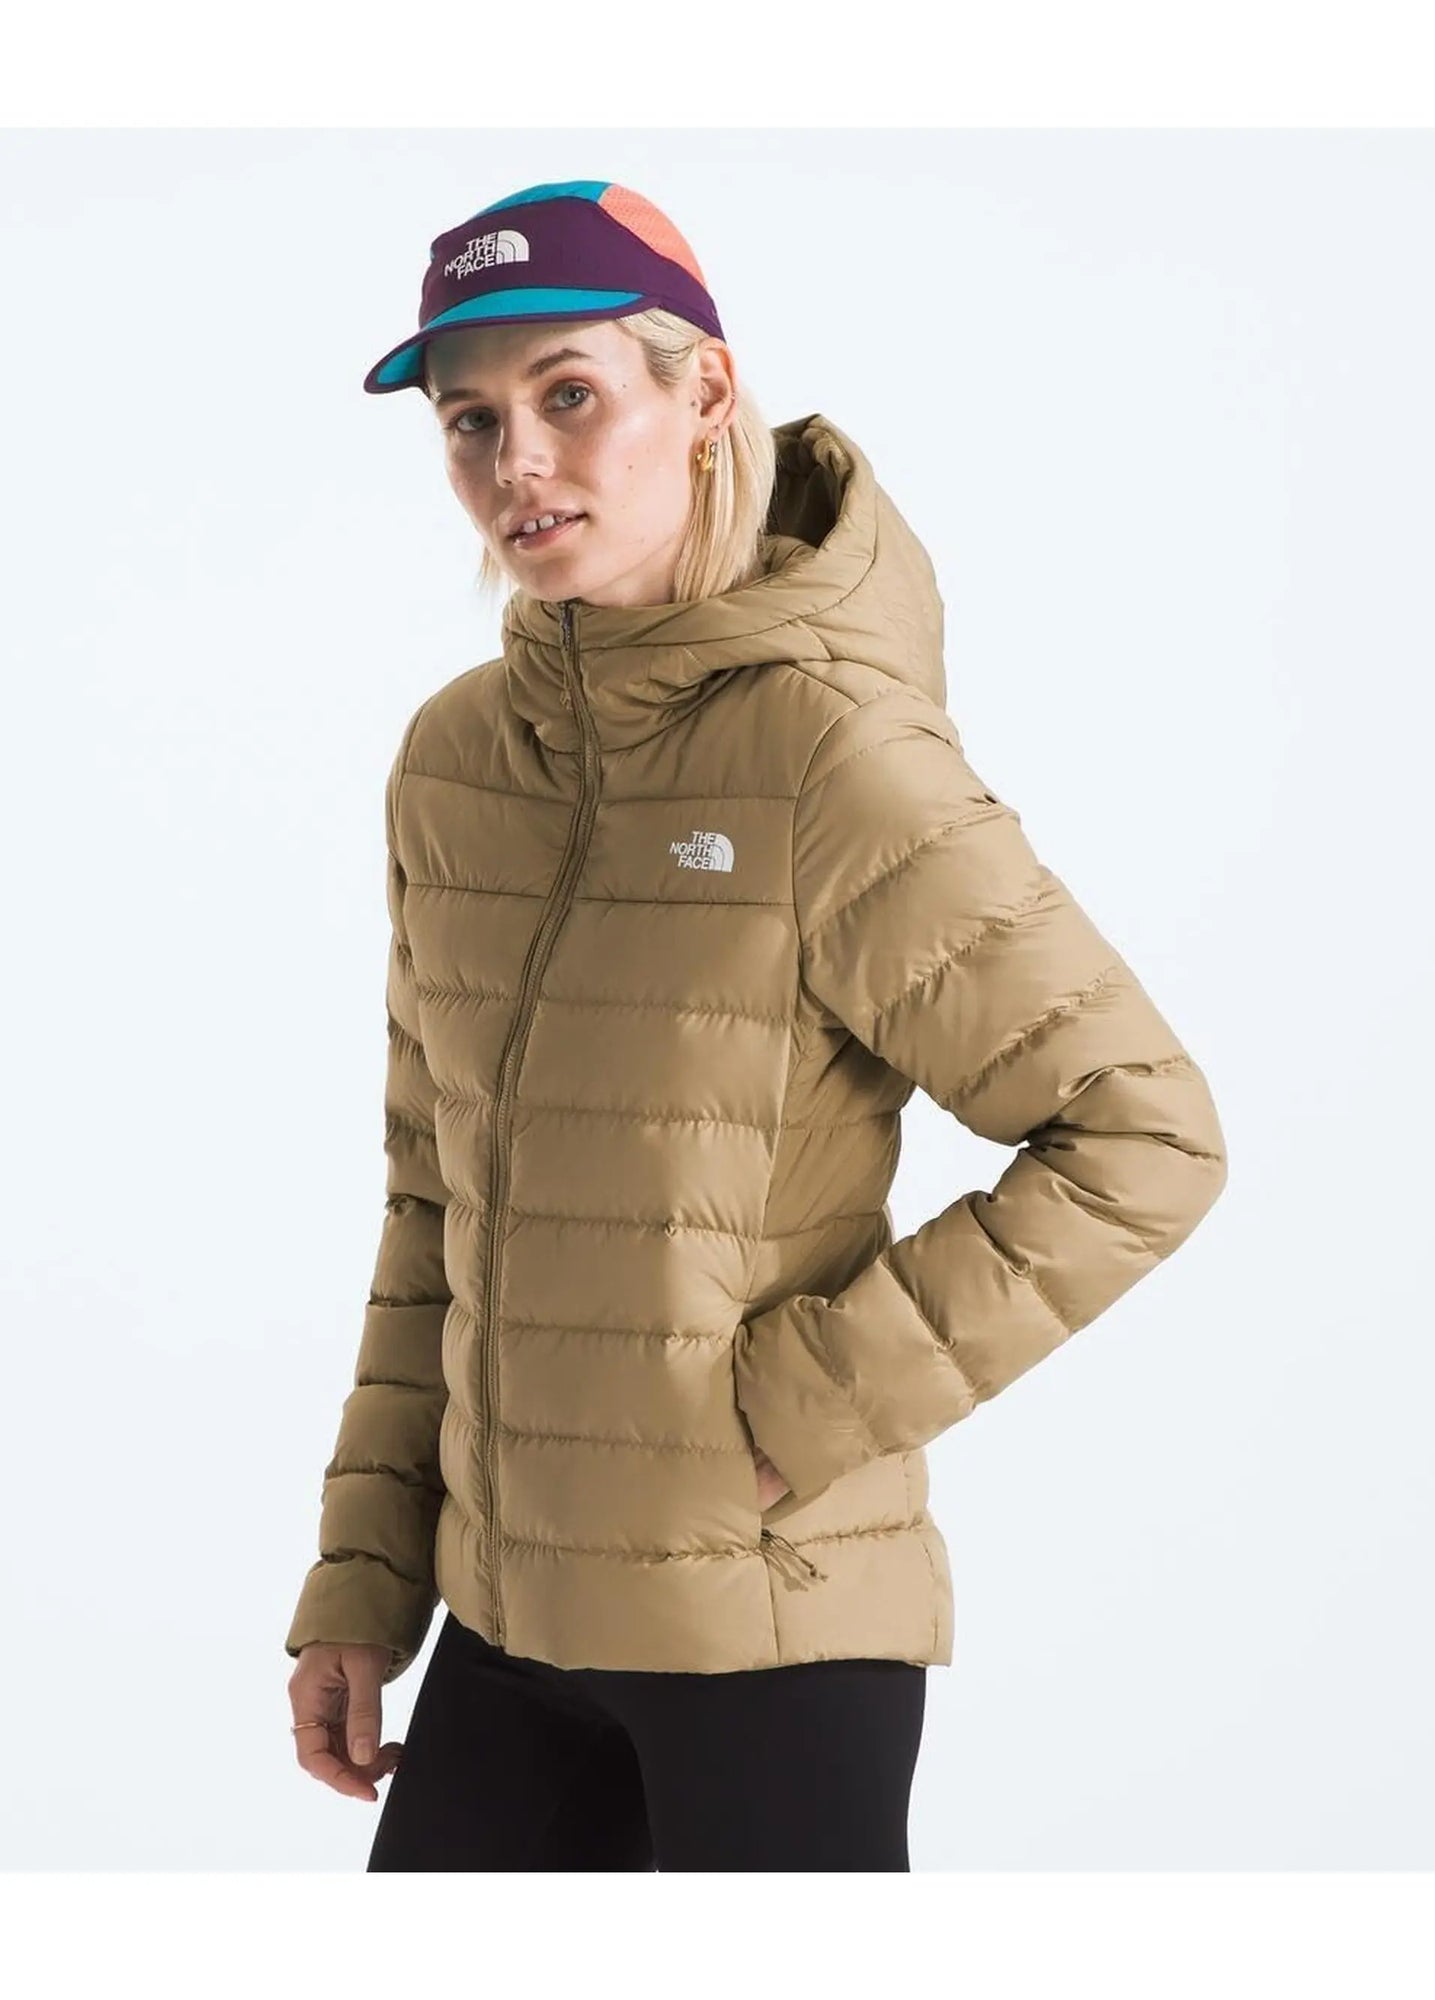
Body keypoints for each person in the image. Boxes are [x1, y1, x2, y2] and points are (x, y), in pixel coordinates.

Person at [283, 178, 1229, 1871]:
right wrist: (365, 1580)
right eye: (471, 421)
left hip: (773, 1640)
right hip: (506, 1623)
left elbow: (1143, 1135)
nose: (518, 464)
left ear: (706, 393)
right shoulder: (457, 762)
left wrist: (799, 1406)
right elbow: (436, 1195)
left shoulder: (828, 754)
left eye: (570, 395)